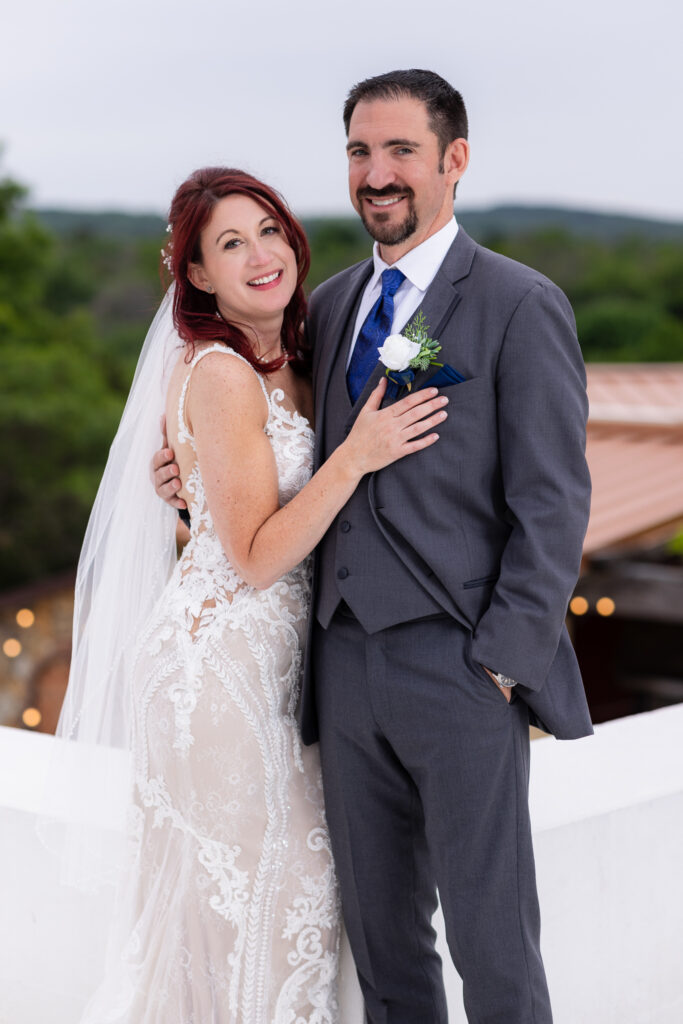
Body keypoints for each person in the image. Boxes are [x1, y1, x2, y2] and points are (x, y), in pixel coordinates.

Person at [155, 71, 593, 1023]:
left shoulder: (519, 304)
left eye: (400, 150)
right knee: (385, 949)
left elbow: (554, 505)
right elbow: (273, 456)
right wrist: (187, 477)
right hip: (338, 672)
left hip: (461, 669)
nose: (377, 173)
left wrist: (501, 667)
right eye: (360, 151)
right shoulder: (333, 305)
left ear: (454, 160)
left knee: (494, 948)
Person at [58, 167, 446, 1024]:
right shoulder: (224, 374)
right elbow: (259, 557)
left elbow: (232, 518)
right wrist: (359, 453)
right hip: (220, 677)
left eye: (269, 229)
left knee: (267, 914)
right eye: (230, 243)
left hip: (277, 671)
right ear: (196, 275)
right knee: (270, 912)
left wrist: (193, 494)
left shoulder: (295, 357)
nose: (262, 254)